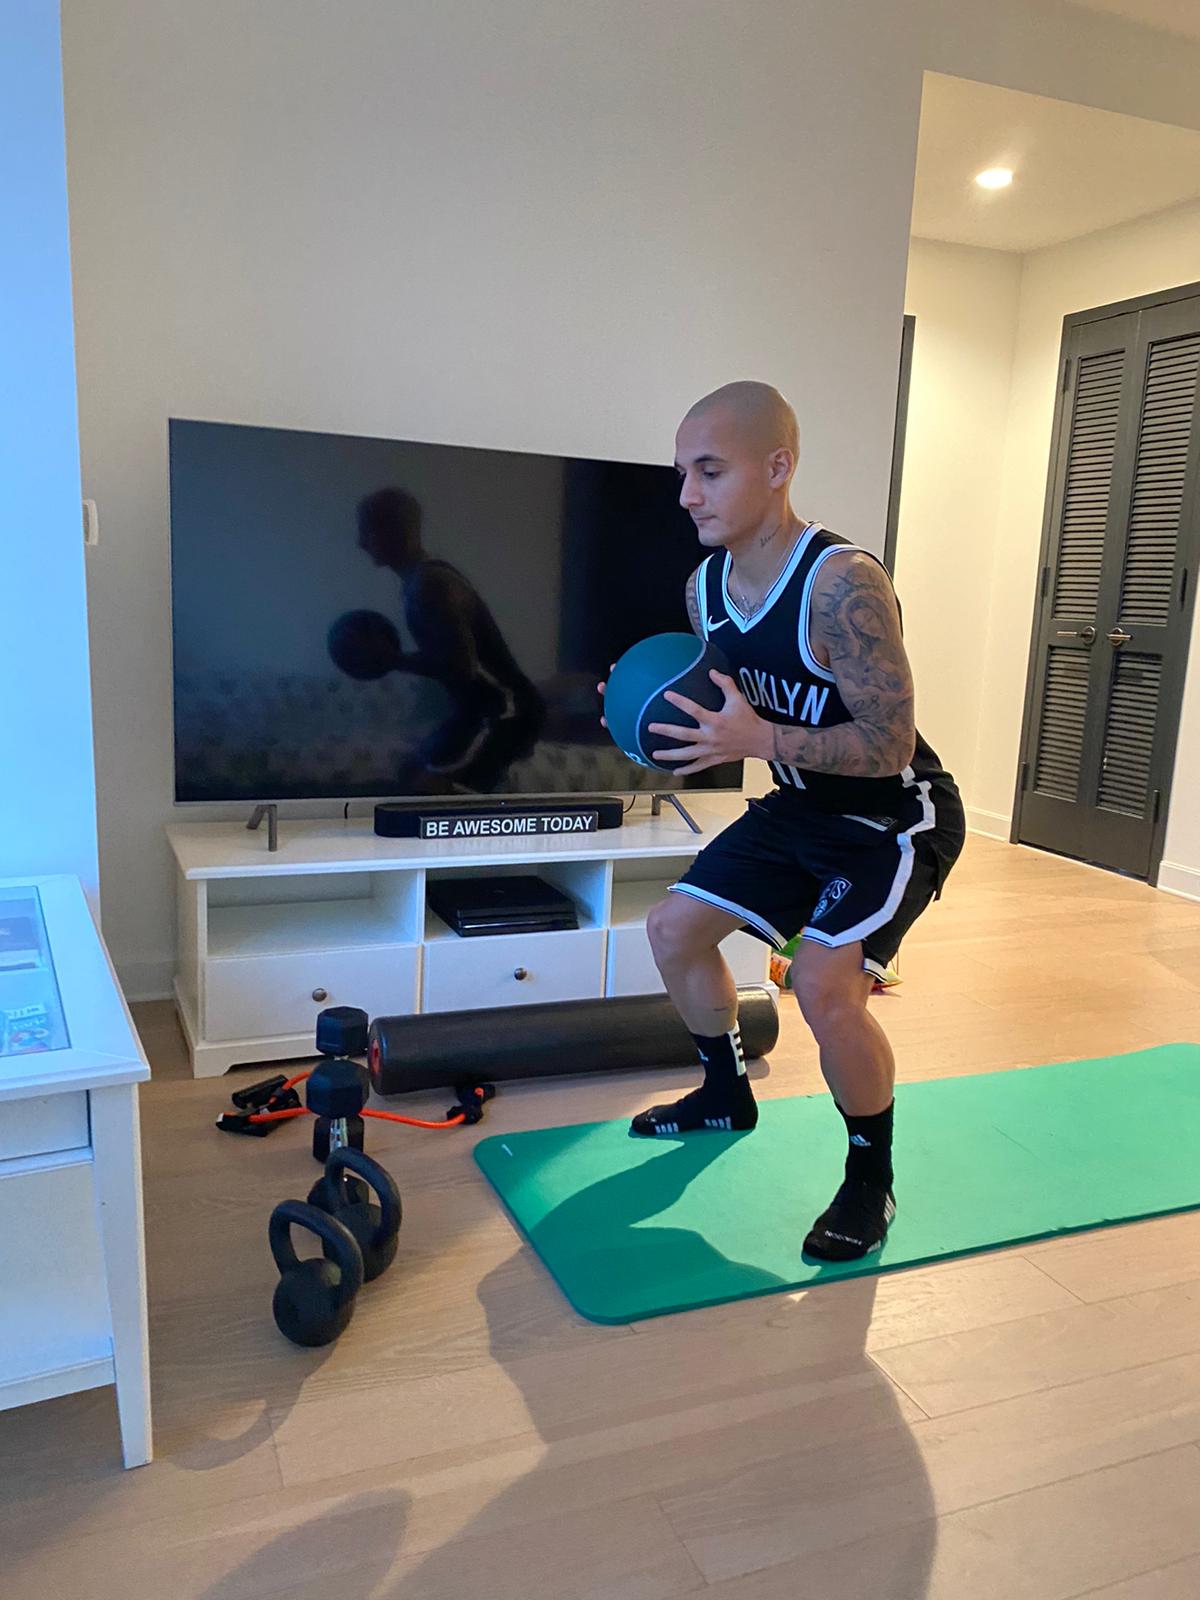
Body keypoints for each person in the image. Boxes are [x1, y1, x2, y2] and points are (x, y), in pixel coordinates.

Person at [600, 381, 965, 1262]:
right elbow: (728, 702)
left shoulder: (843, 585)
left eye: (710, 471)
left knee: (823, 986)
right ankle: (724, 1093)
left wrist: (759, 739)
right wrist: (650, 709)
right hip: (800, 805)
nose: (687, 494)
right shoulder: (705, 590)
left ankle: (870, 1180)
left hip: (894, 817)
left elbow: (888, 743)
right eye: (682, 473)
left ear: (777, 467)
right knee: (673, 930)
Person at [352, 487, 546, 790]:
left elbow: (460, 666)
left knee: (429, 791)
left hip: (504, 712)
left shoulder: (431, 586)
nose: (360, 543)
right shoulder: (417, 582)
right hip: (474, 711)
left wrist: (392, 659)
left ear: (396, 531)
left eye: (367, 531)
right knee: (408, 773)